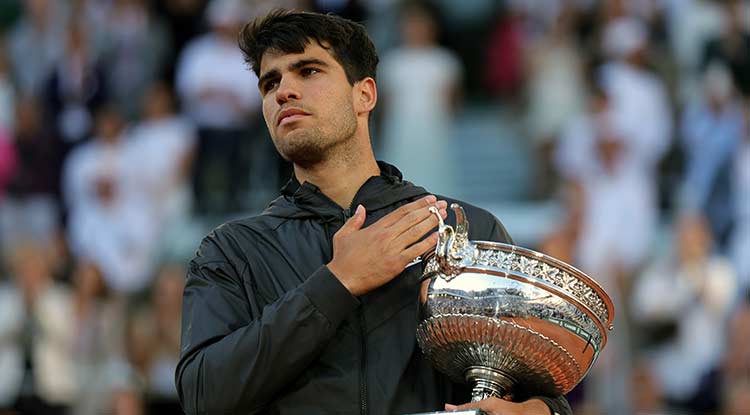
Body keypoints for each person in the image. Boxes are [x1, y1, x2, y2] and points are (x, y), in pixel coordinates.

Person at [175, 10, 571, 415]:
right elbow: (203, 396)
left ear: (364, 94)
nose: (283, 92)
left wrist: (538, 411)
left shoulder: (465, 228)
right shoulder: (230, 251)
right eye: (270, 82)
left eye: (308, 71)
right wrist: (337, 282)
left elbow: (539, 393)